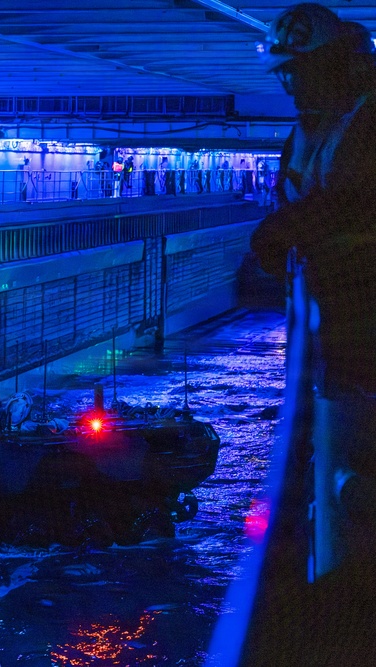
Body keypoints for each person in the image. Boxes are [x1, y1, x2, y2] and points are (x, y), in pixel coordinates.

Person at [246, 5, 376, 664]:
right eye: (284, 74)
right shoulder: (310, 131)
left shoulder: (367, 124)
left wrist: (291, 232)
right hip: (334, 346)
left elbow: (353, 201)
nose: (290, 85)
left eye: (299, 71)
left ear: (337, 64)